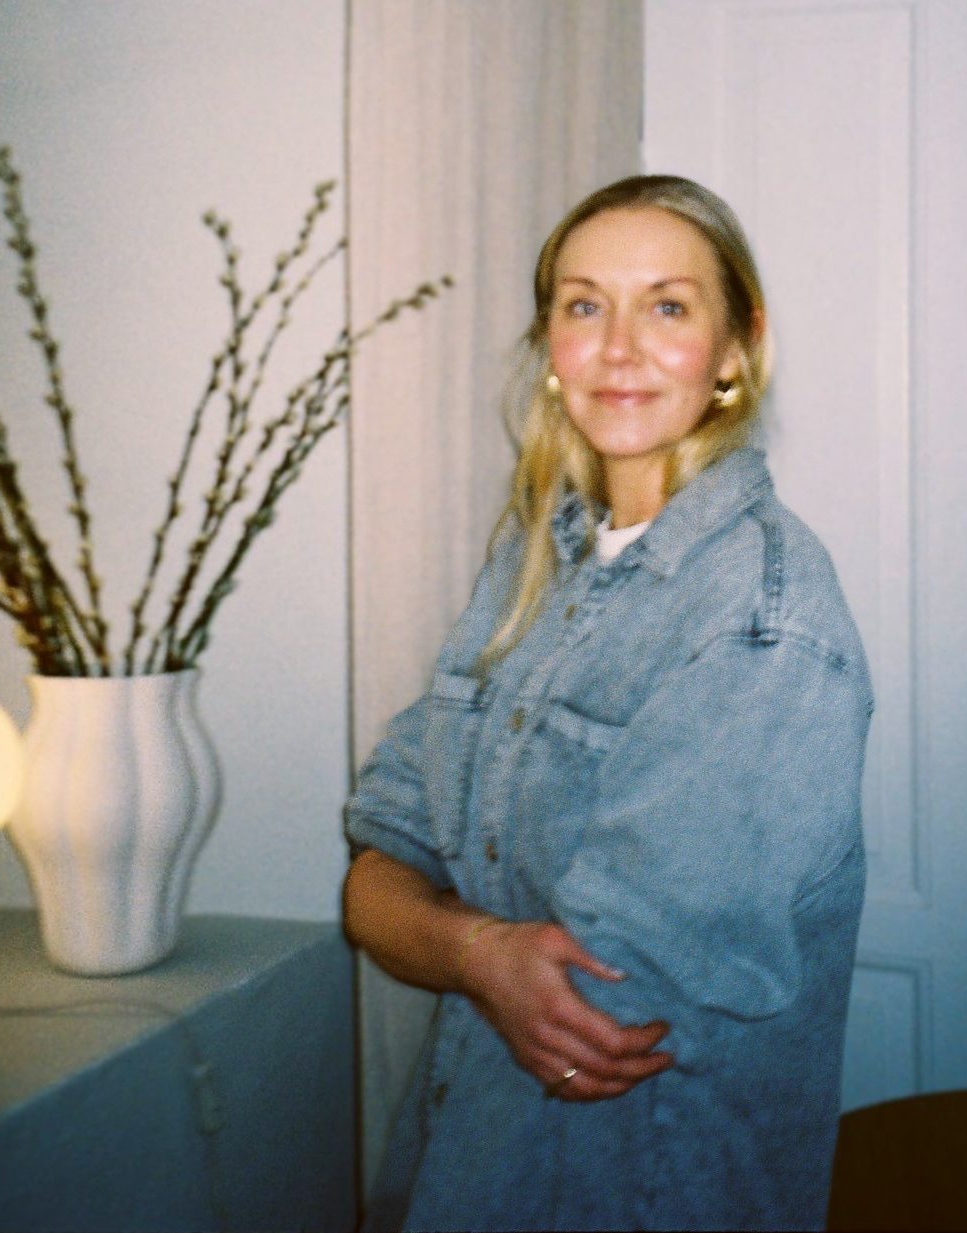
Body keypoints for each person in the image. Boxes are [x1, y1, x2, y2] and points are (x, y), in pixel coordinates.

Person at [342, 174, 873, 1232]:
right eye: (585, 305)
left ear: (736, 346)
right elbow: (379, 858)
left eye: (667, 307)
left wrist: (452, 939)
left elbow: (596, 1016)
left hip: (638, 1187)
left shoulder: (762, 616)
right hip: (459, 1158)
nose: (619, 348)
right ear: (551, 344)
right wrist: (480, 953)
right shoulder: (534, 560)